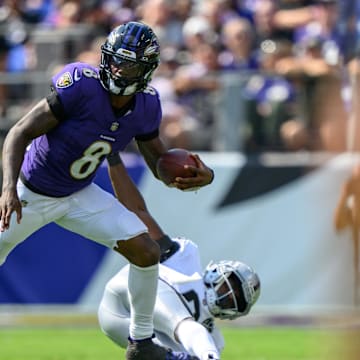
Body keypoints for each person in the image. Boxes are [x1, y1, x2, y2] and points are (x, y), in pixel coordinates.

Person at [0, 21, 214, 360]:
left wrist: (201, 176)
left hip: (78, 196)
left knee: (146, 251)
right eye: (115, 60)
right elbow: (19, 132)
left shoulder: (145, 106)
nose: (117, 69)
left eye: (128, 64)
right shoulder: (81, 87)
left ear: (144, 71)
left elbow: (159, 163)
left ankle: (141, 342)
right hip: (32, 192)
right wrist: (8, 188)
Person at [98, 236, 261, 360]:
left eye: (235, 299)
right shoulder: (186, 255)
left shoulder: (215, 340)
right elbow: (150, 239)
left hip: (127, 329)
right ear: (217, 271)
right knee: (184, 325)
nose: (229, 294)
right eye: (229, 285)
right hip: (126, 293)